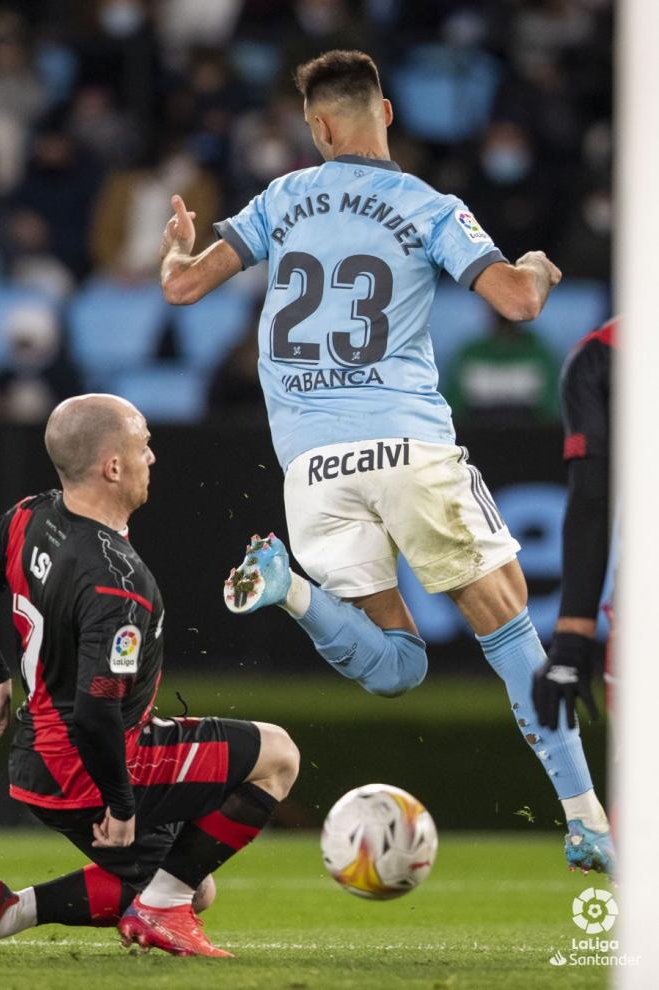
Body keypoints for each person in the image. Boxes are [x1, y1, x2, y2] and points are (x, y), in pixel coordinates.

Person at [159, 49, 612, 874]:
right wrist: (540, 272)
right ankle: (588, 824)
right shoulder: (427, 202)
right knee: (511, 635)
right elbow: (513, 300)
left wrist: (176, 251)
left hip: (311, 471)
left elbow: (184, 289)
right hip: (406, 445)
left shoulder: (281, 198)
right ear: (388, 114)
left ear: (319, 127)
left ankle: (290, 589)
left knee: (397, 667)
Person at [0, 394, 299, 956]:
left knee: (192, 884)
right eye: (143, 446)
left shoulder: (30, 516)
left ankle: (13, 912)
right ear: (113, 467)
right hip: (86, 767)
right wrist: (122, 805)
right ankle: (159, 910)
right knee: (278, 755)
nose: (153, 458)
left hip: (35, 759)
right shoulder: (115, 581)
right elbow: (96, 712)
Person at [533, 317, 617, 730]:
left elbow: (591, 501)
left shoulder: (603, 353)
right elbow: (591, 502)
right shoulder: (602, 355)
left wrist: (570, 641)